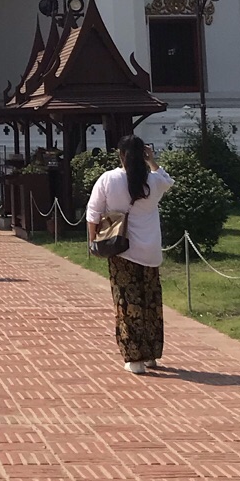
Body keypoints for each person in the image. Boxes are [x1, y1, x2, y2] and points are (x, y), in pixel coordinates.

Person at [86, 136, 173, 374]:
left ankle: (134, 358)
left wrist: (92, 242)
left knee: (127, 302)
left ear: (121, 155)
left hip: (121, 248)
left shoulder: (109, 178)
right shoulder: (153, 181)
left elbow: (93, 212)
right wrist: (152, 162)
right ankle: (150, 354)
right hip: (150, 250)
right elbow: (168, 180)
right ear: (143, 154)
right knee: (150, 302)